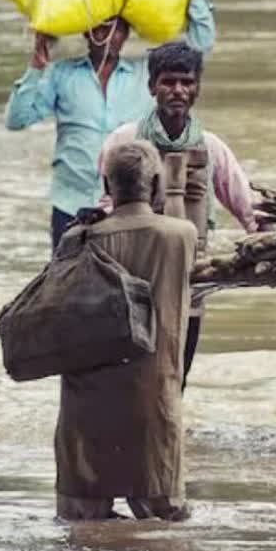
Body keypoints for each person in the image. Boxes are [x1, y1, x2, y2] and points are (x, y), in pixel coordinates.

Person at [3, 0, 216, 252]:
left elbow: (200, 45)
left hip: (134, 205)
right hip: (72, 203)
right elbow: (17, 119)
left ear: (126, 31)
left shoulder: (147, 74)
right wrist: (36, 65)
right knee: (70, 288)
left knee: (134, 286)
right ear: (87, 30)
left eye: (113, 26)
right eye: (99, 27)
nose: (106, 35)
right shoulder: (60, 75)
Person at [99, 41, 256, 389]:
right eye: (168, 82)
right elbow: (107, 205)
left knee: (176, 377)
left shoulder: (211, 147)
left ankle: (168, 435)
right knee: (131, 375)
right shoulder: (123, 141)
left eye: (187, 82)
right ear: (152, 86)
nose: (178, 91)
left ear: (197, 87)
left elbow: (247, 207)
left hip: (190, 276)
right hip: (133, 276)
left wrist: (271, 243)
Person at [55, 140, 197, 521]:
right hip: (152, 397)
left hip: (87, 401)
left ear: (106, 184)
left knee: (81, 526)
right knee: (165, 525)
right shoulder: (180, 236)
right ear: (154, 185)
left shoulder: (78, 238)